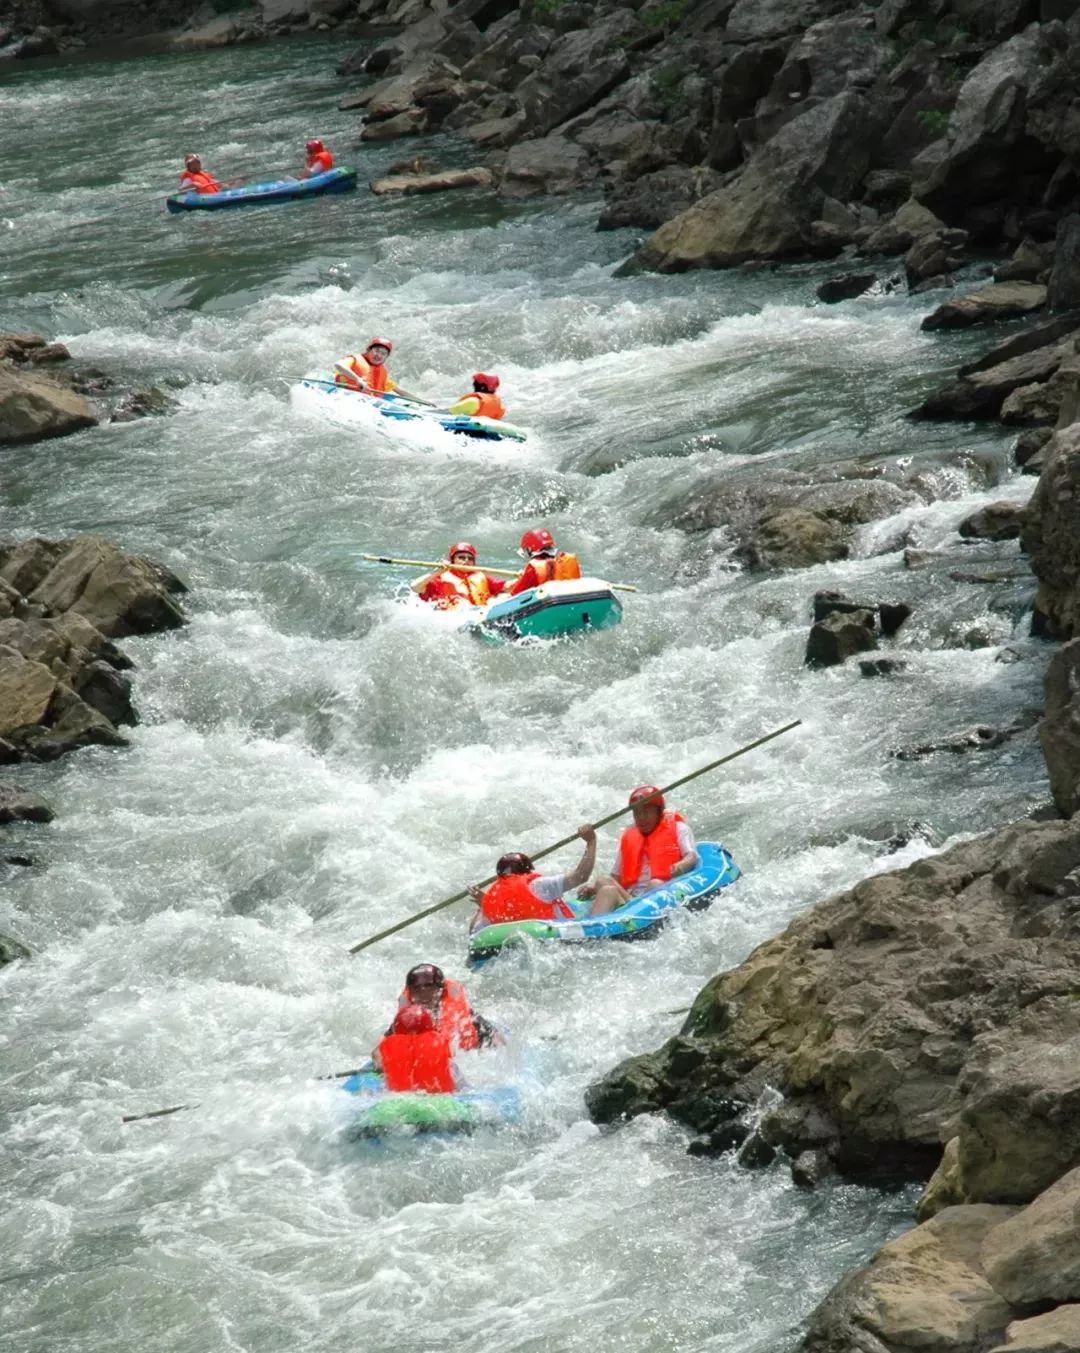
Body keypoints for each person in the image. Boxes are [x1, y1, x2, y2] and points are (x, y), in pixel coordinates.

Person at [578, 786, 699, 916]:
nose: (641, 817)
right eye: (636, 813)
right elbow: (615, 877)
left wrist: (681, 865)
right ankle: (592, 927)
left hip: (659, 893)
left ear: (659, 812)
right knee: (602, 880)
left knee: (655, 883)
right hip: (630, 899)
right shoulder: (629, 836)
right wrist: (593, 888)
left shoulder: (679, 829)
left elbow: (691, 856)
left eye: (646, 812)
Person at [371, 963, 501, 1069]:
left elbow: (496, 1038)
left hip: (465, 1061)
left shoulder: (461, 1014)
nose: (423, 993)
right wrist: (384, 1065)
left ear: (441, 989)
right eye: (417, 988)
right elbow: (378, 1051)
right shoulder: (408, 1018)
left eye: (429, 987)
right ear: (410, 992)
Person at [469, 825, 596, 929]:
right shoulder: (539, 885)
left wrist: (485, 905)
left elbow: (474, 934)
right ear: (528, 871)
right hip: (549, 938)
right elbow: (581, 875)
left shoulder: (494, 897)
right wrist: (591, 841)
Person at [376, 1003, 458, 1093]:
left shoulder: (385, 1047)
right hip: (442, 1100)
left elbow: (377, 1063)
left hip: (399, 1100)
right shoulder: (442, 1043)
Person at [411, 541, 509, 609]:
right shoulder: (440, 578)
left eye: (470, 559)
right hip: (454, 619)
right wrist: (437, 572)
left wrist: (523, 576)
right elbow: (415, 587)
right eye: (461, 558)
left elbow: (507, 587)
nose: (466, 561)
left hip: (479, 614)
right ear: (453, 560)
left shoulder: (481, 577)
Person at [508, 528, 582, 596]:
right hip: (572, 600)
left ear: (529, 550)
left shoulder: (533, 568)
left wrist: (524, 577)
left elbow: (515, 594)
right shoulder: (566, 560)